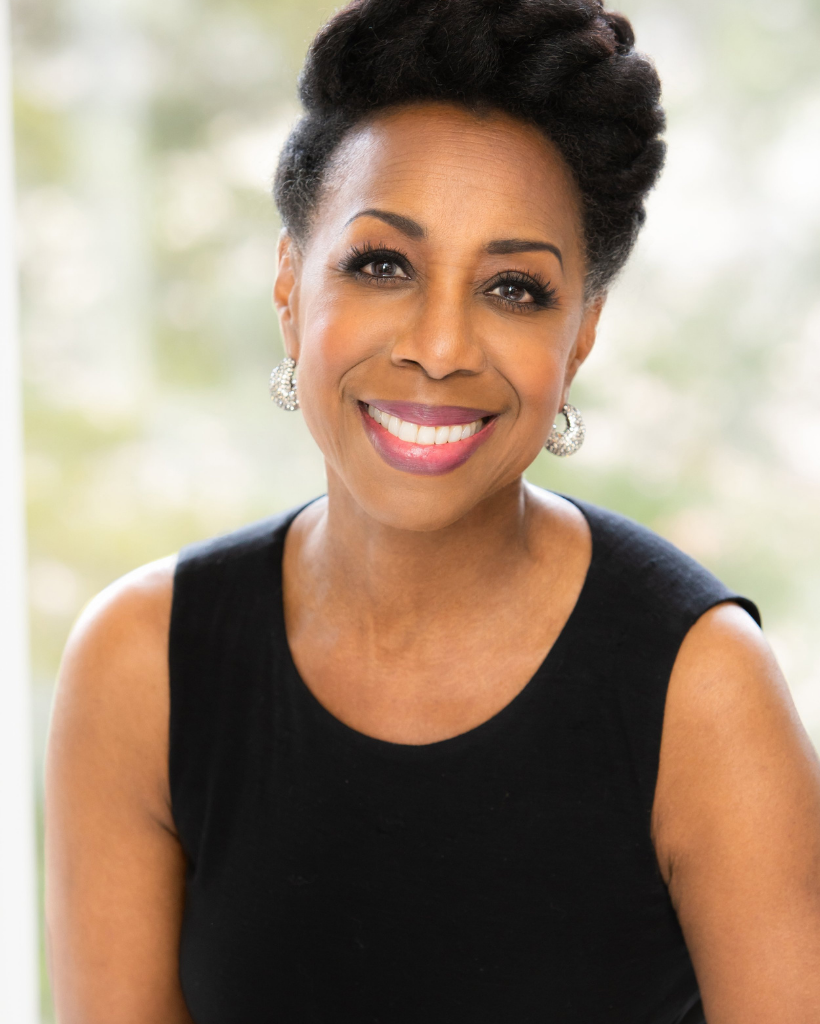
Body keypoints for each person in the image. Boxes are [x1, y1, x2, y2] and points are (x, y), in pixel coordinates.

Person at [45, 1, 820, 1021]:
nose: (442, 344)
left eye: (514, 288)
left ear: (582, 331)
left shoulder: (701, 689)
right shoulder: (141, 664)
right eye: (381, 265)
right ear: (289, 283)